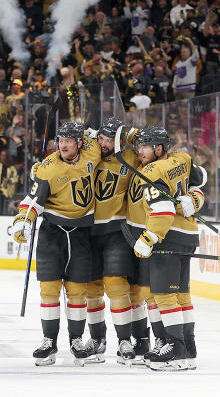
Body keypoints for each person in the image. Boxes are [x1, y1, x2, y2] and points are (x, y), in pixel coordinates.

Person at [11, 121, 102, 366]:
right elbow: (32, 200)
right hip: (53, 233)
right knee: (49, 291)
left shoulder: (92, 151)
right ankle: (49, 341)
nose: (62, 145)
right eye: (60, 141)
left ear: (79, 143)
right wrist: (23, 221)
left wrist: (91, 131)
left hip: (82, 233)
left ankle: (76, 340)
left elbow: (100, 136)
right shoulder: (48, 169)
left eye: (68, 141)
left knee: (77, 292)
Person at [127, 126, 207, 371]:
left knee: (163, 294)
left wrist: (150, 237)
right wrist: (195, 199)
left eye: (144, 146)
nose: (139, 151)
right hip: (188, 234)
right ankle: (188, 348)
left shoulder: (152, 170)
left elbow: (163, 209)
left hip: (168, 237)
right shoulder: (182, 158)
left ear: (158, 149)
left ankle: (176, 349)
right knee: (181, 295)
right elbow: (200, 181)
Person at [85, 117, 145, 365]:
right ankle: (97, 340)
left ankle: (125, 340)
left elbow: (148, 141)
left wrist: (127, 134)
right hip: (87, 232)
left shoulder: (130, 158)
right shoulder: (89, 154)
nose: (103, 143)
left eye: (109, 139)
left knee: (117, 286)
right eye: (101, 138)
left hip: (116, 232)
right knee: (91, 289)